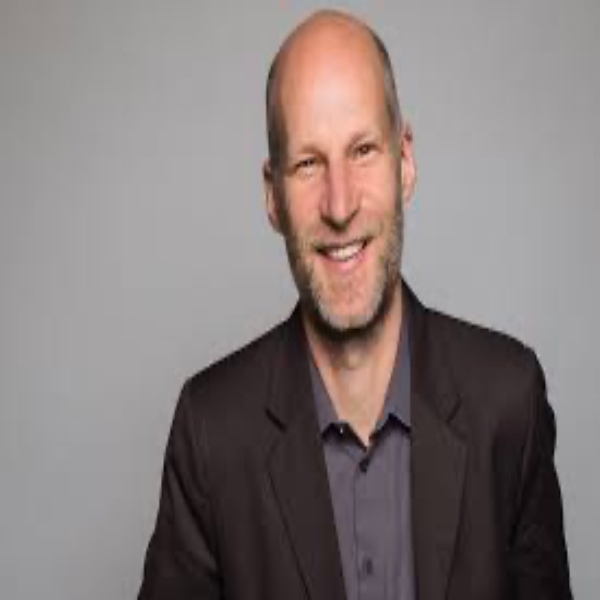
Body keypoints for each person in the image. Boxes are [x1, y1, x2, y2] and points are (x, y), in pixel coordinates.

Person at [138, 10, 572, 600]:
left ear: (405, 163)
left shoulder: (509, 403)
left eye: (363, 150)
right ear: (272, 196)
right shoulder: (211, 433)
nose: (339, 206)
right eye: (308, 164)